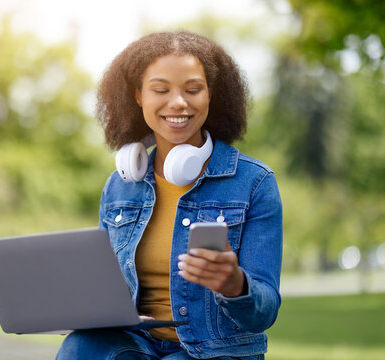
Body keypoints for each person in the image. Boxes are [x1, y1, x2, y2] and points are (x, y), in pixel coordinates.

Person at [56, 31, 282, 360]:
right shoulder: (120, 186)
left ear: (210, 96)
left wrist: (236, 285)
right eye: (161, 89)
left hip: (214, 351)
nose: (178, 102)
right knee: (79, 346)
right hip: (137, 343)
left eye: (192, 89)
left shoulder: (254, 182)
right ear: (138, 96)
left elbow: (265, 311)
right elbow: (104, 290)